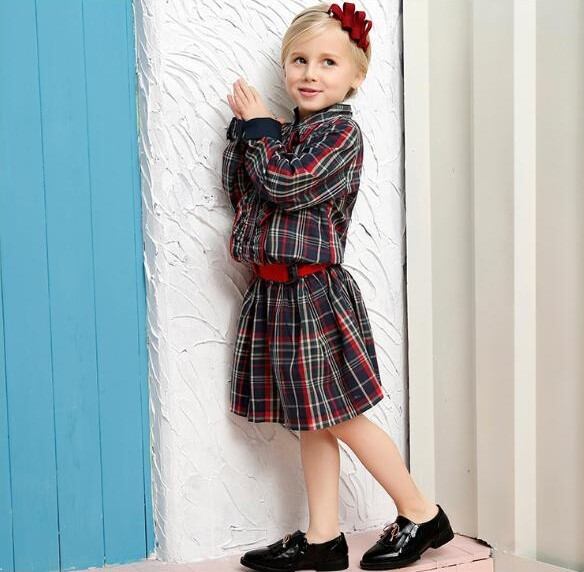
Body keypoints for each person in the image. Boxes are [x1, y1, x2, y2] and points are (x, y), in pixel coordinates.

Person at [222, 2, 454, 570]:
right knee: (311, 418)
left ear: (356, 75)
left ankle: (422, 512)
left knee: (340, 413)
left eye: (328, 62)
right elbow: (244, 192)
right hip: (275, 292)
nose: (310, 73)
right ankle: (323, 537)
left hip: (312, 294)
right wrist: (247, 135)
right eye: (299, 60)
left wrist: (258, 130)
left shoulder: (339, 136)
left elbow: (286, 185)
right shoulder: (284, 135)